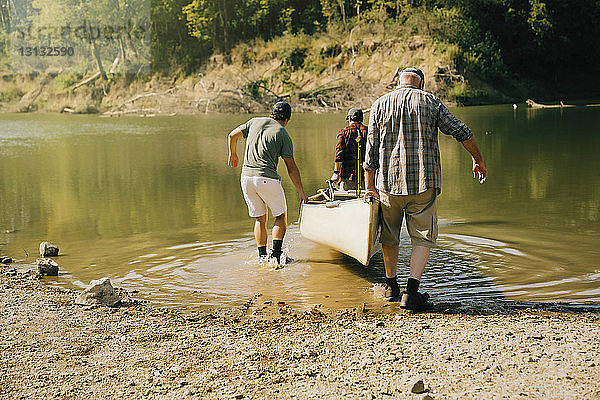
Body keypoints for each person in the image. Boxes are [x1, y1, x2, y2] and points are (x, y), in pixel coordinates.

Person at [363, 67, 487, 311]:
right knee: (422, 237)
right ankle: (411, 292)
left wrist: (369, 186)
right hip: (423, 183)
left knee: (389, 236)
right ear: (421, 84)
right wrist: (478, 159)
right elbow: (462, 131)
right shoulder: (430, 101)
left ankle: (391, 288)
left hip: (388, 184)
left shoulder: (379, 104)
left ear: (398, 83)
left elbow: (371, 148)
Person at [227, 101, 308, 264]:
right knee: (280, 216)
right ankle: (276, 256)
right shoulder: (282, 133)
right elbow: (291, 167)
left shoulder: (254, 122)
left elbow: (231, 136)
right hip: (267, 178)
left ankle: (262, 257)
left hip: (246, 179)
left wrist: (233, 154)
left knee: (260, 219)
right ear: (288, 118)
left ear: (272, 113)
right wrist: (301, 191)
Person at [330, 108, 368, 191]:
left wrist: (336, 173)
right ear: (362, 119)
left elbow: (339, 155)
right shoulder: (369, 132)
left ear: (350, 119)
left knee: (347, 200)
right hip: (368, 177)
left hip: (348, 177)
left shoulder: (344, 132)